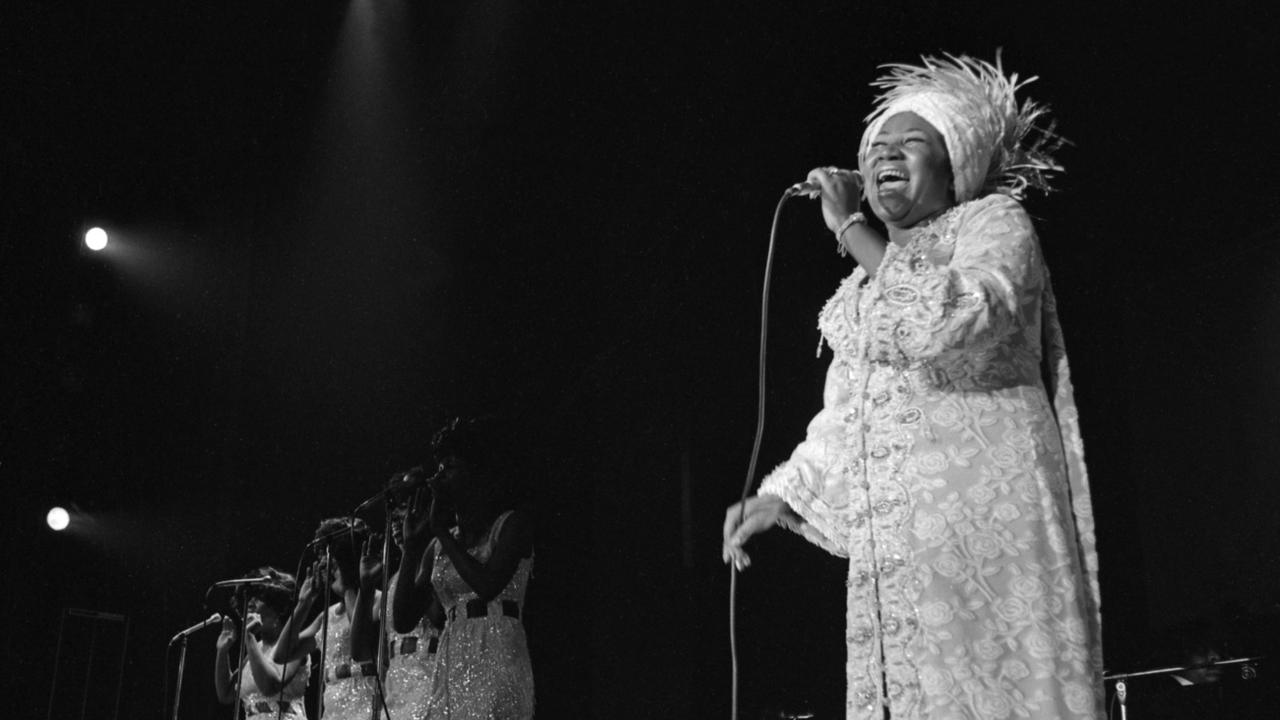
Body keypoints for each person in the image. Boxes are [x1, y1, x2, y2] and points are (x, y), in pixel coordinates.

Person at [722, 54, 1102, 719]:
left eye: (910, 142)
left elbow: (958, 316)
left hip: (987, 532)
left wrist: (849, 228)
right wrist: (779, 497)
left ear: (953, 165)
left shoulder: (992, 224)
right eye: (875, 146)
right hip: (903, 552)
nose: (885, 153)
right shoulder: (858, 291)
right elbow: (845, 420)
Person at [392, 417, 535, 719]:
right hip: (452, 660)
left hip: (497, 655)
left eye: (450, 466)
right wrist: (412, 548)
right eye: (439, 466)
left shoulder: (510, 525)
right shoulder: (439, 546)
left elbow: (488, 586)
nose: (439, 476)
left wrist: (440, 530)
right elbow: (403, 619)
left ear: (477, 472)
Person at [274, 517, 381, 720]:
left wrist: (348, 586)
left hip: (368, 703)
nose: (323, 563)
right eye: (322, 555)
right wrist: (304, 604)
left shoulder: (379, 601)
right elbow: (282, 655)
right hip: (333, 708)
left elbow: (363, 646)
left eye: (329, 555)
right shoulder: (328, 616)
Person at [353, 493, 444, 719]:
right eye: (392, 516)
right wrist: (365, 589)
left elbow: (437, 617)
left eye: (403, 510)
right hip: (395, 695)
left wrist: (414, 548)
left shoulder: (440, 566)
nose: (395, 521)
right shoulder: (392, 582)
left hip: (431, 685)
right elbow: (359, 651)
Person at [212, 567, 310, 719]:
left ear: (277, 606)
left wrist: (249, 637)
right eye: (248, 598)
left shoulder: (294, 644)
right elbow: (226, 694)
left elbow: (270, 685)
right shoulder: (256, 648)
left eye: (257, 597)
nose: (250, 604)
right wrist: (222, 651)